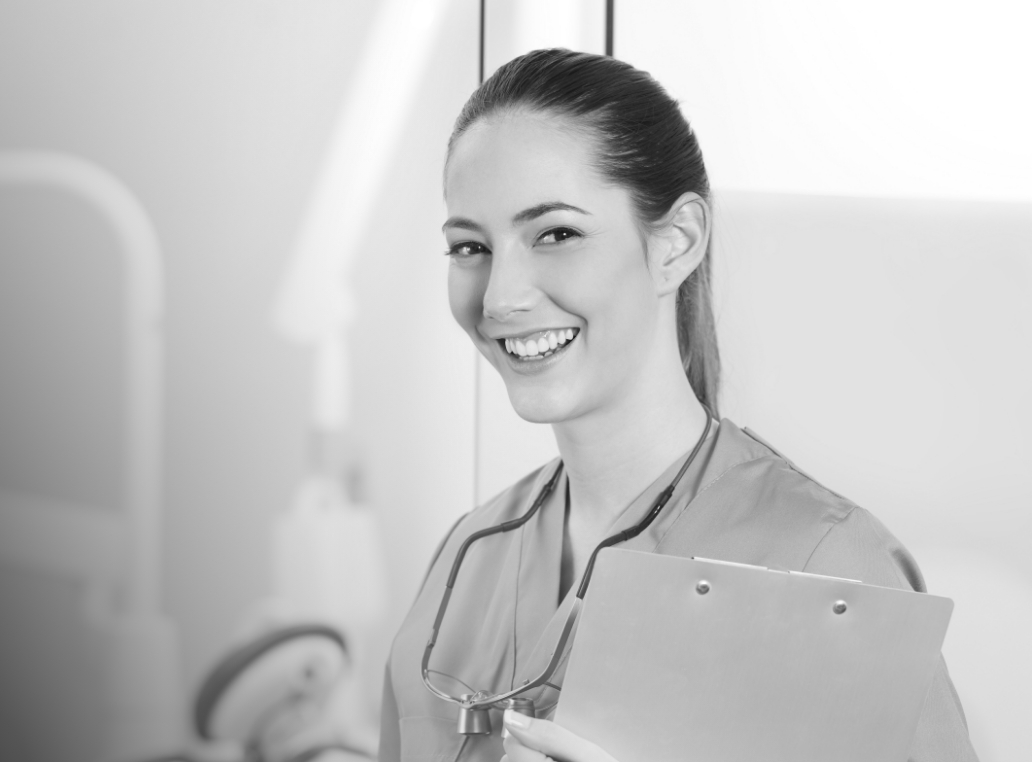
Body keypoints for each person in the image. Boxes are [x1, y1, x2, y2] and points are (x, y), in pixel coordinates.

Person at [378, 49, 977, 762]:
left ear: (676, 244)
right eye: (470, 246)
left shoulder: (830, 565)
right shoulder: (469, 557)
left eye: (557, 234)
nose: (501, 296)